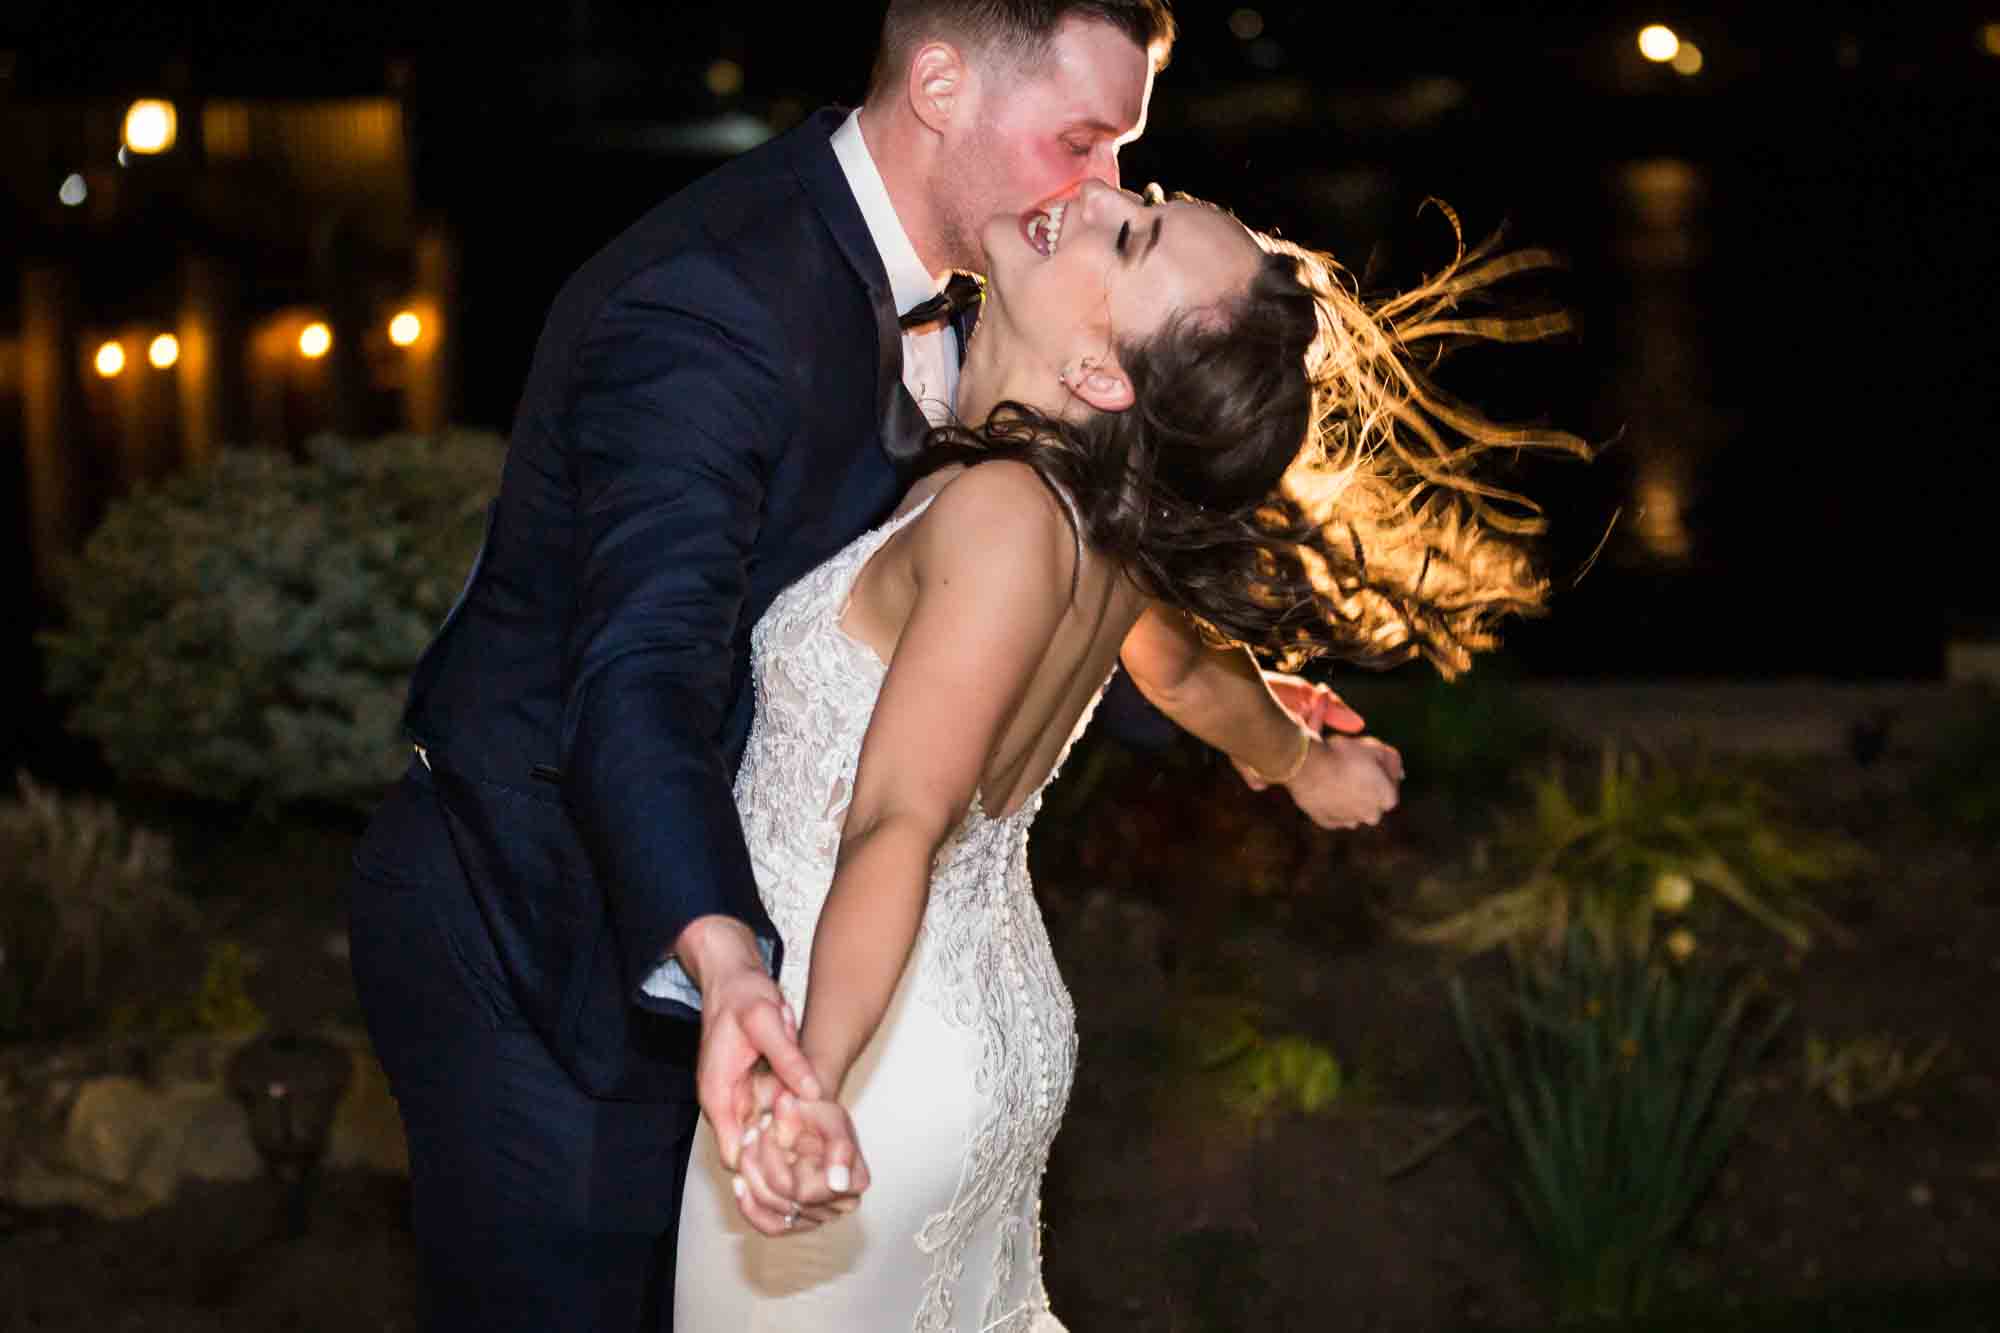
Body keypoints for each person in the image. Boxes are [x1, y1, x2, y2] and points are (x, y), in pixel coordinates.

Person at [346, 3, 1398, 1329]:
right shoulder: (718, 304)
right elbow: (640, 679)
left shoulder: (1029, 400)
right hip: (547, 927)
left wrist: (1291, 751)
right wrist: (731, 970)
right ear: (943, 84)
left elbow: (1080, 655)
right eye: (1083, 140)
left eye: (1124, 160)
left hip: (843, 1003)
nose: (1100, 185)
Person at [670, 173, 1585, 1328]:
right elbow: (1186, 672)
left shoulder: (1006, 514)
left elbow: (895, 815)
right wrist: (1304, 764)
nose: (1094, 196)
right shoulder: (1100, 522)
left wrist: (809, 1085)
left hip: (857, 1043)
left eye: (1129, 234)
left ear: (1102, 376)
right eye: (1139, 197)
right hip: (971, 1031)